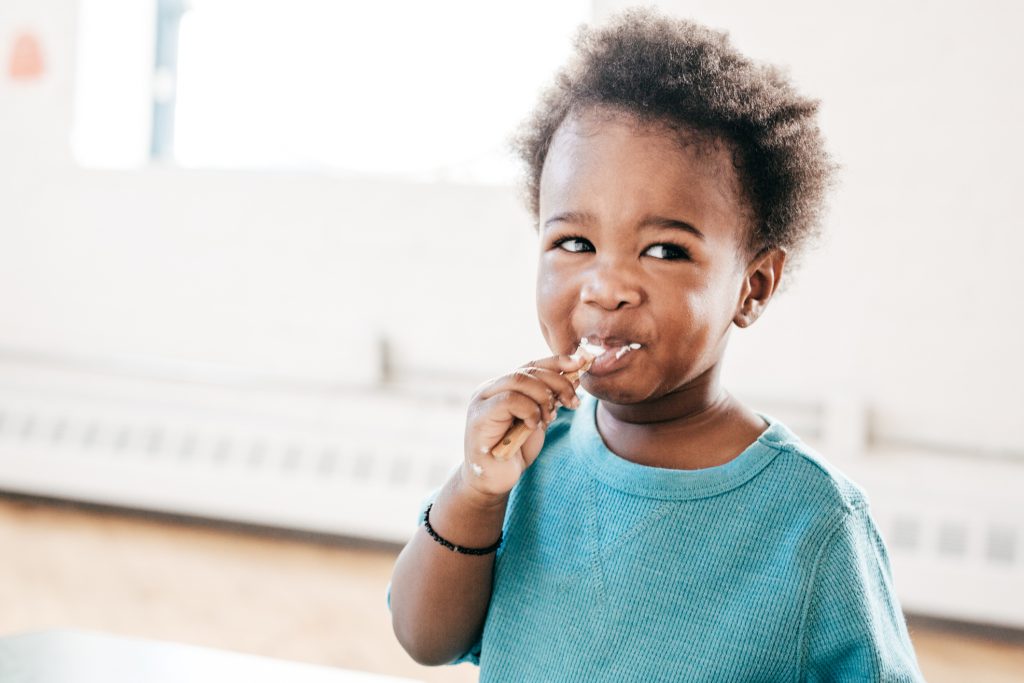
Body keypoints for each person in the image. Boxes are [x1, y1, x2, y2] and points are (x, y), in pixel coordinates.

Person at [389, 8, 924, 681]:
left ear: (753, 286)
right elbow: (425, 639)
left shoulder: (814, 522)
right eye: (574, 242)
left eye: (665, 250)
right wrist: (474, 493)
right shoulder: (526, 459)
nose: (606, 287)